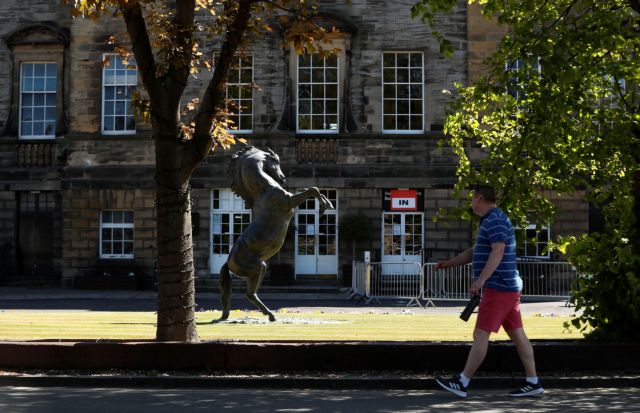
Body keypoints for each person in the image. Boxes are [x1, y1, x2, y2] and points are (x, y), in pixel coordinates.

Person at [434, 185, 544, 398]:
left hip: (498, 287)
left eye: (472, 198)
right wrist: (449, 263)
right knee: (518, 335)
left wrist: (480, 280)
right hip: (507, 287)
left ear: (479, 198)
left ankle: (462, 382)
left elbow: (498, 250)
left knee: (480, 334)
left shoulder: (494, 219)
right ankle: (533, 382)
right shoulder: (493, 220)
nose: (471, 202)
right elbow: (474, 252)